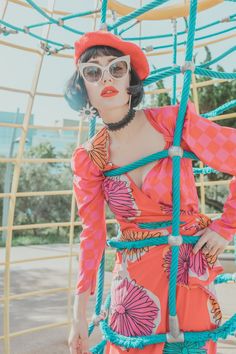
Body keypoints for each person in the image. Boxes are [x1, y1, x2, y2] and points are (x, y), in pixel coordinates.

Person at [64, 30, 236, 354]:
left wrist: (227, 226)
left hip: (188, 270)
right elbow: (93, 234)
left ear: (130, 77)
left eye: (116, 67)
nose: (106, 78)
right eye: (92, 72)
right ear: (82, 87)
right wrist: (78, 314)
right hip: (133, 287)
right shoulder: (89, 157)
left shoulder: (173, 123)